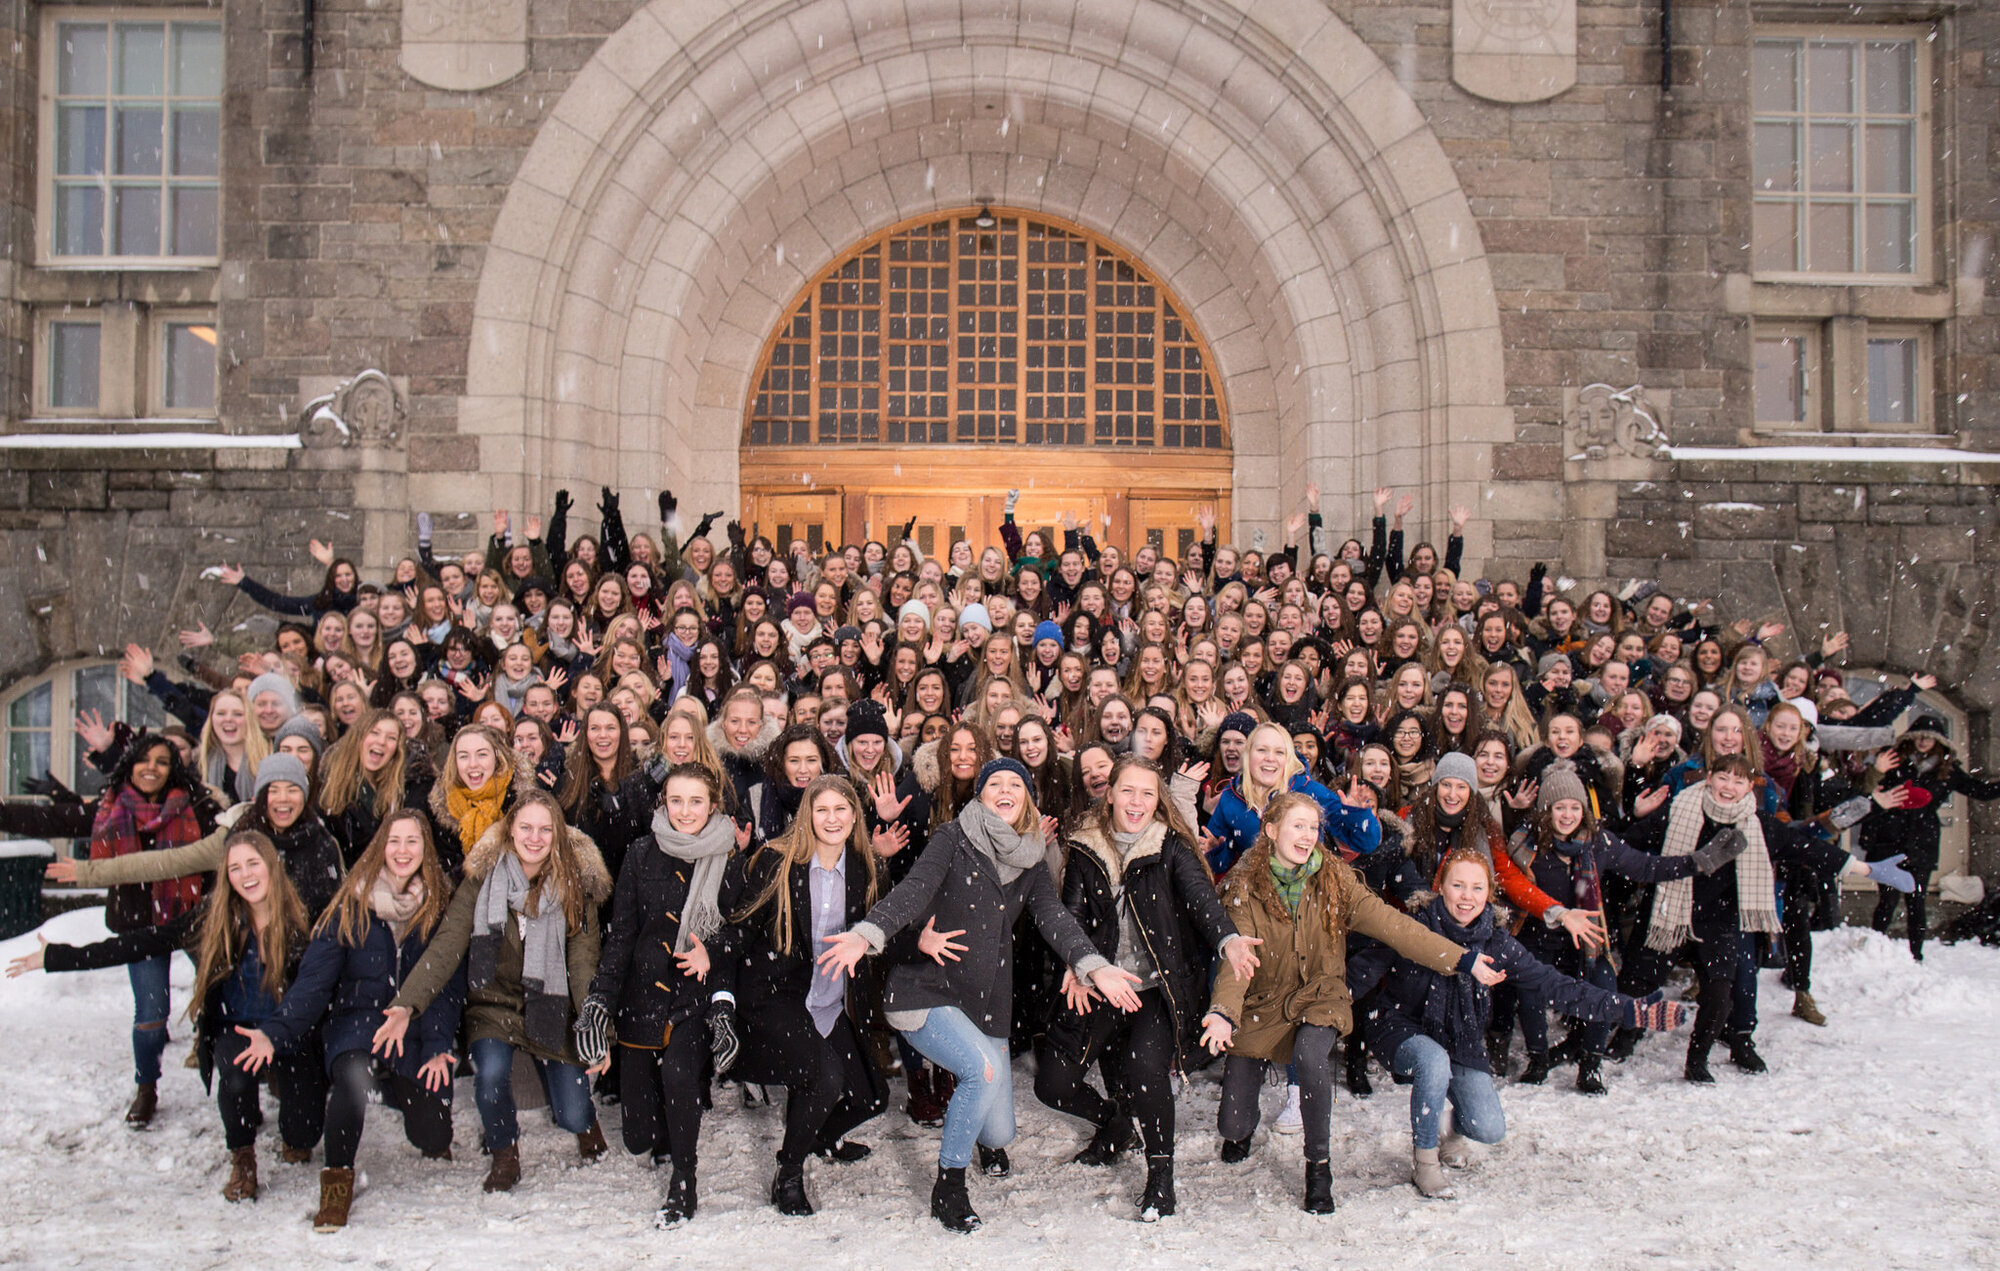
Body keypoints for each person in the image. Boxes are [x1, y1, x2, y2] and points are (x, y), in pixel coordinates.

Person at [817, 758, 1144, 1233]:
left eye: (1017, 783)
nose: (1006, 789)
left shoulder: (1032, 858)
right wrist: (868, 934)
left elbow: (1055, 920)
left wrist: (1090, 964)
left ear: (1027, 797)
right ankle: (949, 1186)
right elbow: (912, 891)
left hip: (984, 1000)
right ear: (981, 795)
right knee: (981, 1071)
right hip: (925, 990)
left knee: (999, 1131)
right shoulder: (954, 837)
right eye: (996, 783)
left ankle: (987, 1137)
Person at [1199, 791, 1489, 1215]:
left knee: (1313, 1056)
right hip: (1263, 1002)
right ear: (1272, 830)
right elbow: (1237, 961)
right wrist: (1224, 1012)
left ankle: (1318, 1166)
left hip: (1321, 995)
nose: (1307, 835)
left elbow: (1395, 926)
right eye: (1297, 826)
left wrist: (1461, 959)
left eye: (1313, 827)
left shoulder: (1335, 879)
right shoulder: (1244, 886)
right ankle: (1241, 1129)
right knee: (1233, 1122)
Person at [11, 830, 325, 1202]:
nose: (246, 874)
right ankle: (242, 1158)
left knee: (303, 1133)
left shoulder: (305, 916)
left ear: (271, 866)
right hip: (236, 1024)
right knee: (236, 1078)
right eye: (235, 867)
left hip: (291, 1029)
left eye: (253, 863)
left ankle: (291, 1116)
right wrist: (57, 957)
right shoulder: (214, 917)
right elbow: (143, 943)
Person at [1358, 849, 1687, 1197]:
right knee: (1433, 1062)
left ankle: (1451, 1129)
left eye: (1476, 888)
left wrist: (1628, 1010)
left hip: (1460, 1039)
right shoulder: (1414, 926)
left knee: (1488, 1129)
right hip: (1400, 1025)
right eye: (1458, 885)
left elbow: (1557, 987)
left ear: (1489, 893)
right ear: (1440, 886)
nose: (1467, 897)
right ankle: (1425, 1164)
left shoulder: (1497, 943)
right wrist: (1322, 1011)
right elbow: (1362, 970)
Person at [1033, 756, 1259, 1220]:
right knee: (1053, 1083)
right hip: (1100, 978)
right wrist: (1079, 965)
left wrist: (1228, 939)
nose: (1136, 802)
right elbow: (1071, 916)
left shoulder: (1170, 846)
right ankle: (1114, 1123)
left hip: (1156, 985)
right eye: (1128, 791)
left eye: (1147, 793)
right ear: (1110, 793)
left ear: (1158, 801)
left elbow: (1202, 902)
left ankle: (1160, 1177)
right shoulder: (1085, 847)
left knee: (1144, 1071)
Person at [389, 788, 613, 1191]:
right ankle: (504, 1153)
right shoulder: (481, 882)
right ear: (510, 831)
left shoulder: (575, 889)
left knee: (572, 1113)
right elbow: (448, 943)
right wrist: (407, 1004)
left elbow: (582, 965)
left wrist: (595, 1028)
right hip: (494, 1003)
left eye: (546, 829)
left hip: (553, 1002)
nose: (535, 838)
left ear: (558, 835)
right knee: (490, 1075)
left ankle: (585, 1125)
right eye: (526, 827)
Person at [257, 810, 463, 1230]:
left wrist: (439, 1045)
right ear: (380, 848)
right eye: (394, 841)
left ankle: (397, 1087)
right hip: (358, 1026)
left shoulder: (440, 907)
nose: (403, 851)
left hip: (414, 1033)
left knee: (433, 1136)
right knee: (352, 1082)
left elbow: (447, 986)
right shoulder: (351, 905)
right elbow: (312, 984)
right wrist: (274, 1032)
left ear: (425, 850)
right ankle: (337, 1182)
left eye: (412, 842)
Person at [705, 774, 889, 1216]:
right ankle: (789, 1171)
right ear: (807, 815)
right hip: (779, 995)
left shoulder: (866, 868)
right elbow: (741, 926)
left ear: (853, 817)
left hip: (830, 1001)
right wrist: (712, 960)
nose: (831, 818)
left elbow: (883, 928)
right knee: (825, 1078)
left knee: (872, 1098)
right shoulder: (777, 861)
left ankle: (818, 1139)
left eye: (840, 810)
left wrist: (919, 940)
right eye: (821, 809)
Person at [576, 763, 750, 1228]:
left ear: (713, 805)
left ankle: (684, 1182)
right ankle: (664, 1137)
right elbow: (622, 937)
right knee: (637, 1136)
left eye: (696, 801)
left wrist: (711, 953)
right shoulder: (640, 854)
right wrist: (600, 1003)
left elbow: (741, 931)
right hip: (642, 996)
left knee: (678, 1075)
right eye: (676, 800)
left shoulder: (729, 856)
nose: (686, 810)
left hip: (693, 995)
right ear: (663, 803)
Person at [1503, 761, 1738, 1092]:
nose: (1567, 815)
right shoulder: (1524, 844)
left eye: (1574, 807)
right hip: (1541, 938)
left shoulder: (1599, 843)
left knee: (1604, 988)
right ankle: (1538, 1058)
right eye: (1559, 808)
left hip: (1587, 940)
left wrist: (1696, 862)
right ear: (1546, 810)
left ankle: (1590, 1064)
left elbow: (1645, 867)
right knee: (1530, 993)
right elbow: (1510, 886)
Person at [1863, 715, 2000, 962]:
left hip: (1922, 841)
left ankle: (1916, 955)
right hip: (1889, 836)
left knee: (1916, 901)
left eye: (1929, 737)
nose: (1923, 741)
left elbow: (1981, 791)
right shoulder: (1894, 761)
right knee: (1888, 899)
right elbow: (1868, 792)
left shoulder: (1947, 770)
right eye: (1919, 736)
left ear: (1939, 742)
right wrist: (1869, 835)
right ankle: (1873, 950)